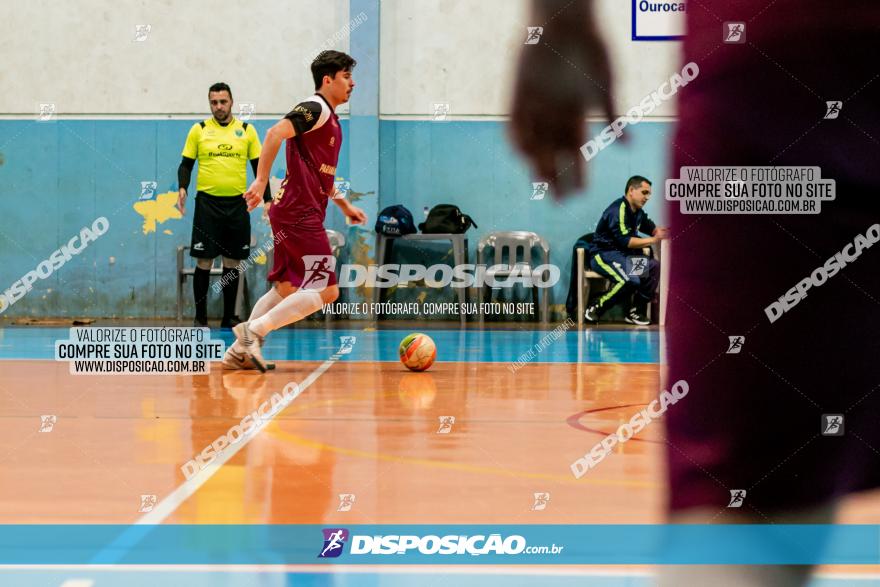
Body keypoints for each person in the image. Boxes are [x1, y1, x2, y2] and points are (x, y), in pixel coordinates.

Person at [510, 1, 879, 584]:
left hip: (769, 55)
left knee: (741, 506)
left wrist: (562, 22)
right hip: (774, 67)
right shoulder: (618, 211)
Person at [224, 51, 367, 371]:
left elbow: (324, 176)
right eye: (346, 76)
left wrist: (345, 205)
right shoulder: (315, 107)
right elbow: (275, 133)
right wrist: (261, 182)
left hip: (295, 212)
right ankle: (252, 331)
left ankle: (237, 351)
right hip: (299, 213)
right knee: (327, 290)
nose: (352, 83)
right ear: (327, 80)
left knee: (287, 287)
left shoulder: (330, 118)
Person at [177, 82, 270, 328]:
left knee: (232, 262)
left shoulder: (247, 131)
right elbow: (186, 164)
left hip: (237, 206)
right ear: (210, 104)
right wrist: (183, 187)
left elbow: (259, 171)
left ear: (231, 102)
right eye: (214, 102)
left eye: (223, 101)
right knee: (204, 261)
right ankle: (200, 318)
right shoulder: (199, 130)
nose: (219, 106)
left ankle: (229, 316)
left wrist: (269, 200)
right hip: (207, 205)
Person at [584, 175, 666, 325]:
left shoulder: (637, 211)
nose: (647, 197)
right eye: (644, 192)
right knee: (629, 279)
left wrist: (659, 232)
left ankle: (636, 311)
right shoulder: (618, 210)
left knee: (653, 267)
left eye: (649, 194)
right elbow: (626, 241)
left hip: (624, 258)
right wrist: (654, 240)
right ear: (631, 190)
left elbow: (649, 227)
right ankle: (596, 306)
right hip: (604, 255)